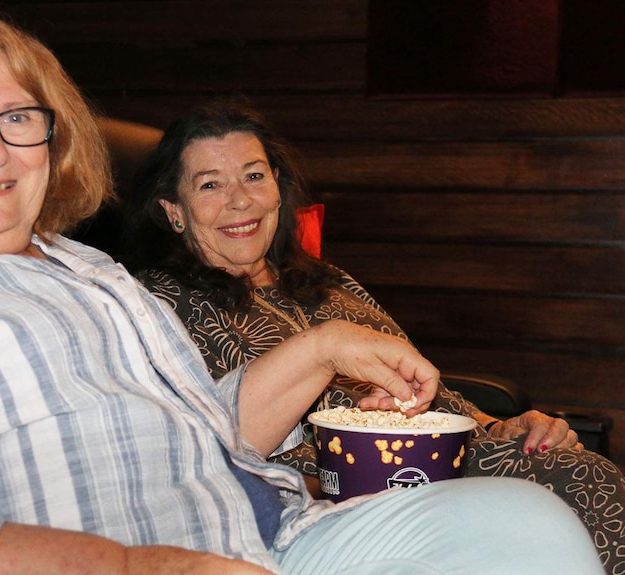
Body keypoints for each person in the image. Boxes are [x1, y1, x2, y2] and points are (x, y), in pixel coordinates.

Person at [0, 11, 604, 575]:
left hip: (269, 539)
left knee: (532, 525)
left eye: (21, 118)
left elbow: (210, 432)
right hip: (146, 561)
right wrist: (140, 565)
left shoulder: (85, 269)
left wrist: (325, 346)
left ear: (54, 140)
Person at [119, 98, 625, 573]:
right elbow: (195, 450)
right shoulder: (156, 305)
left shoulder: (329, 282)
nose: (241, 201)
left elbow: (433, 396)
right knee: (584, 483)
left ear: (278, 187)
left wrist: (504, 427)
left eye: (254, 176)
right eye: (210, 185)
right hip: (342, 489)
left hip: (450, 456)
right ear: (173, 210)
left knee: (578, 465)